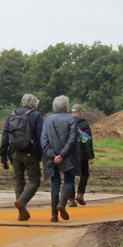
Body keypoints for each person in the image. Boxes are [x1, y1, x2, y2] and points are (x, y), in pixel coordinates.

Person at [0, 94, 44, 221]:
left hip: (14, 153)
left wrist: (3, 157)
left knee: (19, 182)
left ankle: (21, 213)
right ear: (34, 104)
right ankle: (22, 202)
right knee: (34, 182)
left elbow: (5, 136)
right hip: (30, 153)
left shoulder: (12, 115)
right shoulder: (36, 115)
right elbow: (41, 137)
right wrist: (42, 155)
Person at [40, 95, 80, 223]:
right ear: (66, 106)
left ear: (54, 106)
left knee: (55, 183)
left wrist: (53, 156)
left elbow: (43, 140)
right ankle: (62, 205)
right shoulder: (72, 119)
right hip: (68, 157)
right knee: (69, 180)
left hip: (51, 158)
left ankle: (54, 216)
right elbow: (72, 139)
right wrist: (62, 155)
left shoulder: (47, 120)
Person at [68, 104, 95, 207]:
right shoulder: (84, 124)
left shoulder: (67, 123)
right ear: (79, 112)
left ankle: (71, 199)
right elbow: (87, 141)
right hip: (82, 155)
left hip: (70, 154)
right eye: (81, 111)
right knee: (84, 174)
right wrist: (90, 156)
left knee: (70, 176)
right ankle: (80, 194)